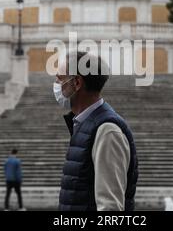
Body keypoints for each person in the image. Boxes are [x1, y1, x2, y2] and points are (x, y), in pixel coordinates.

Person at [55, 51, 138, 211]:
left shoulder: (107, 131)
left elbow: (110, 209)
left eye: (60, 79)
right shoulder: (84, 123)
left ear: (77, 82)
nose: (56, 85)